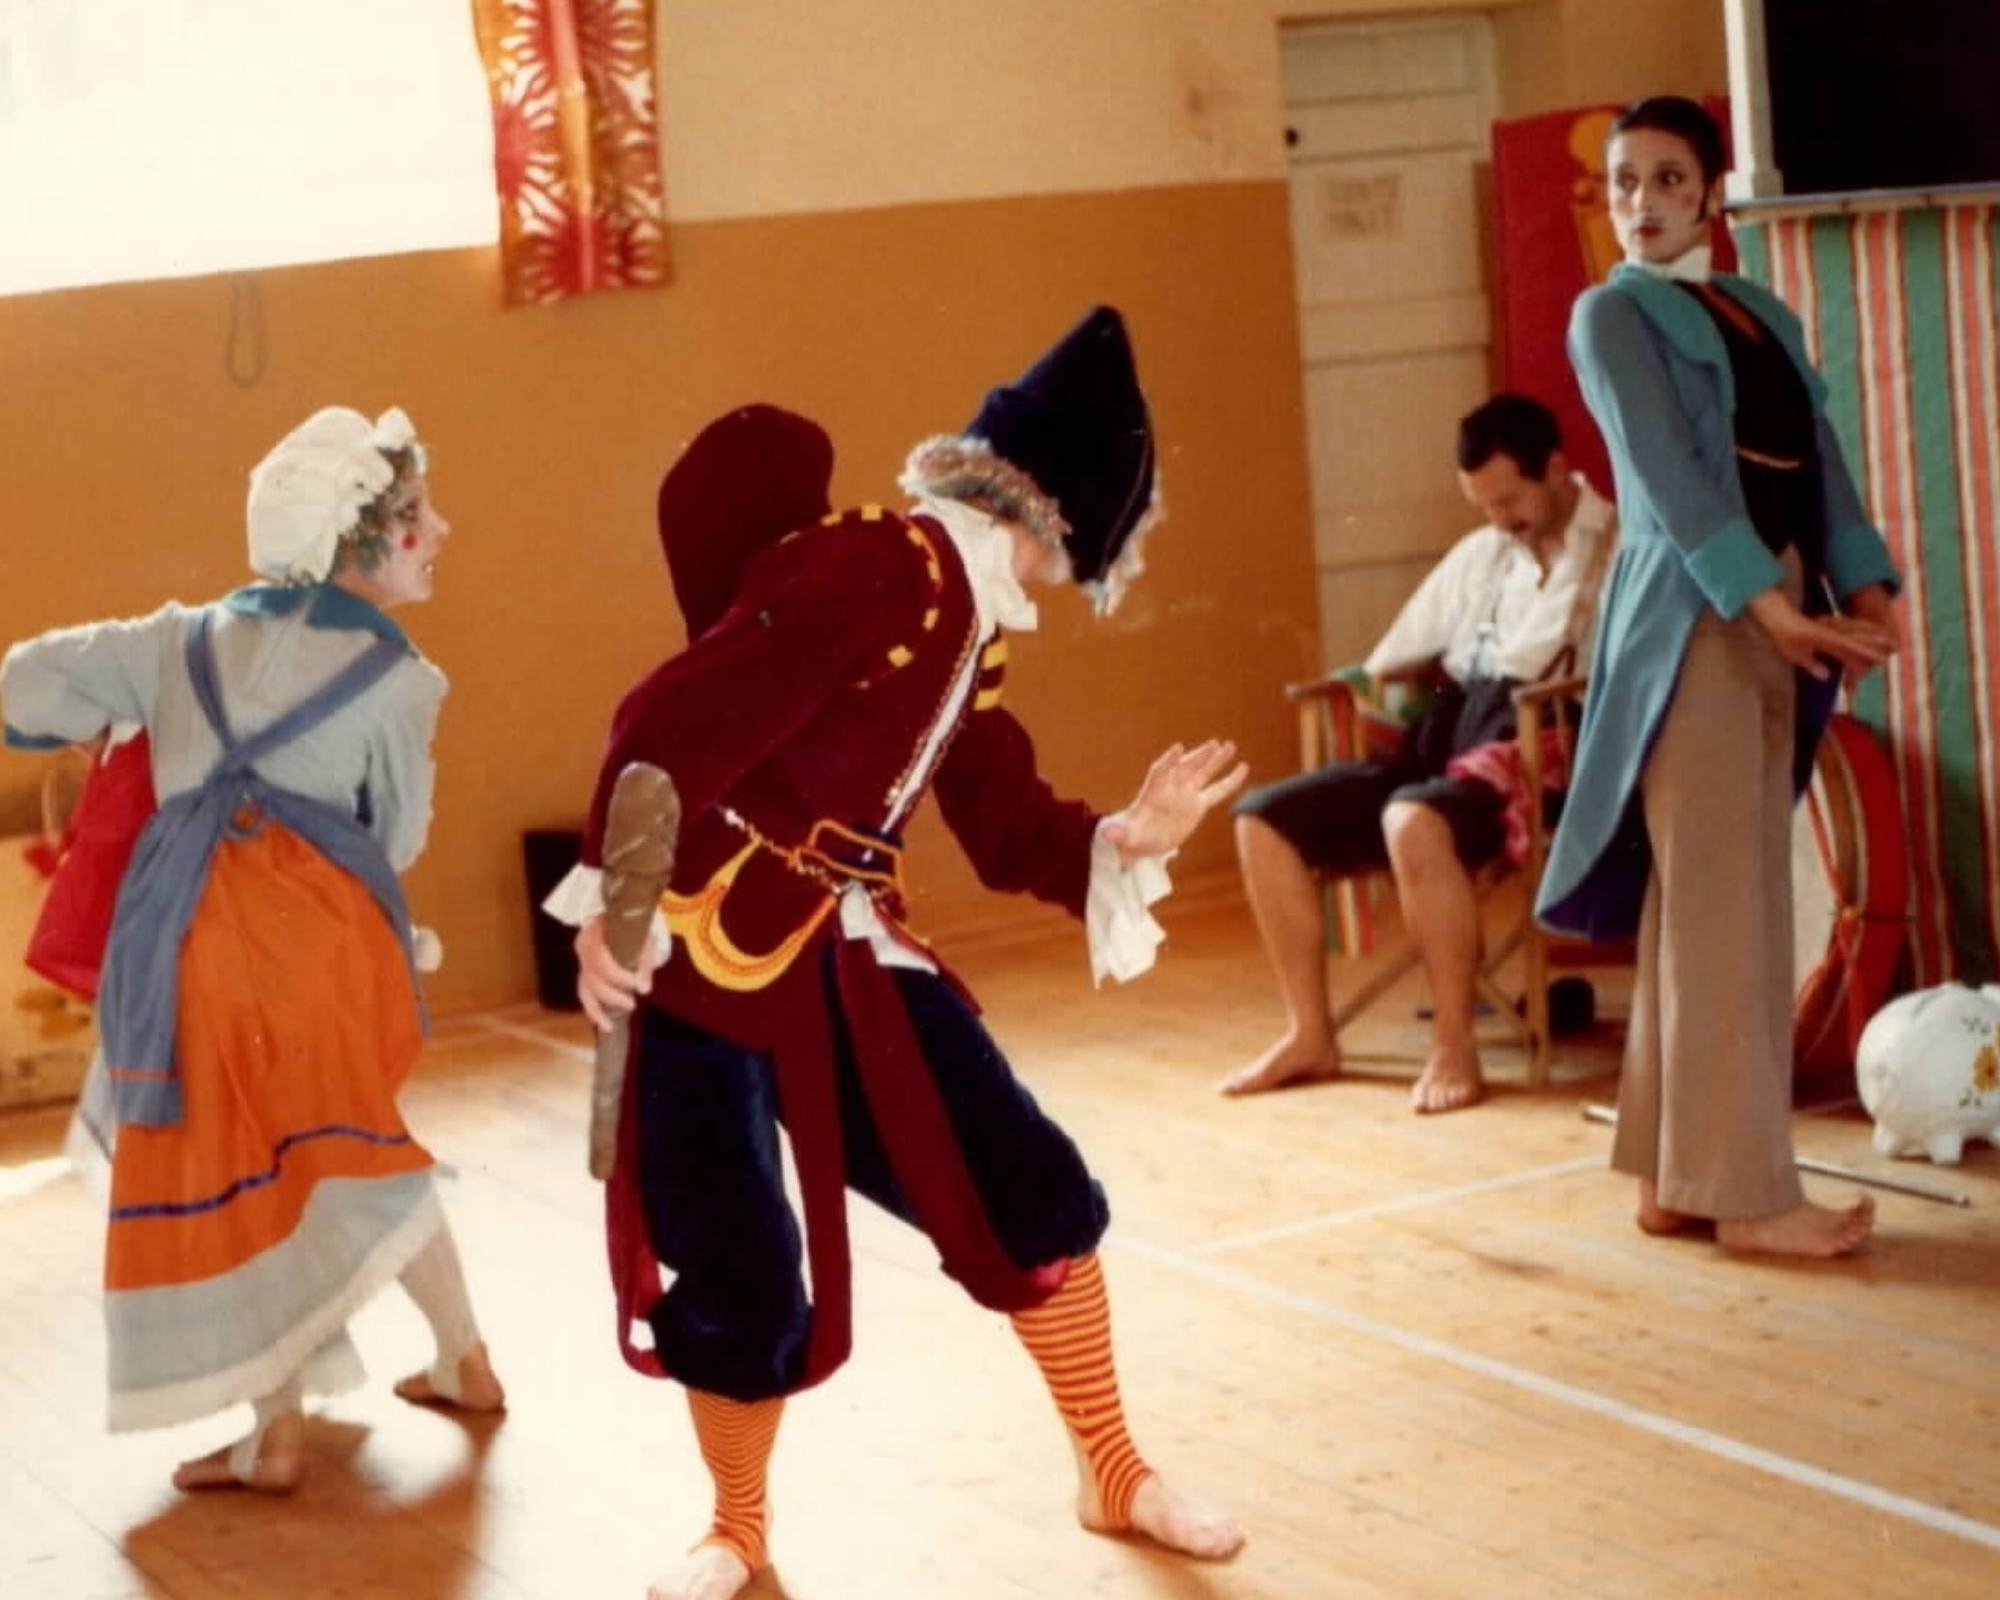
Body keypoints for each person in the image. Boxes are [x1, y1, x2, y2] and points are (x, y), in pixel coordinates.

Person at [545, 306, 1249, 1600]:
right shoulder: (879, 567)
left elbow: (1003, 819)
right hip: (702, 961)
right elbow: (666, 716)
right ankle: (736, 1532)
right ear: (1063, 517)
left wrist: (1123, 837)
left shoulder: (966, 624)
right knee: (739, 1263)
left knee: (1030, 1192)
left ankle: (1112, 1471)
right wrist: (608, 896)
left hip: (852, 959)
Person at [0, 407, 504, 1493]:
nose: (439, 531)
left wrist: (123, 725)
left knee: (236, 1170)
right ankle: (462, 1355)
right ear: (349, 538)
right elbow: (395, 837)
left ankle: (275, 1429)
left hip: (188, 948)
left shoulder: (174, 640)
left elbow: (21, 687)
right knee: (358, 1144)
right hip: (322, 949)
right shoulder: (402, 679)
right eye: (416, 516)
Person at [1535, 96, 1903, 1257]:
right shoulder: (1608, 314)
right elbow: (1674, 482)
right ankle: (1748, 1199)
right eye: (1622, 181)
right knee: (1724, 912)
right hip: (1692, 620)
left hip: (1770, 609)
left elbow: (1818, 460)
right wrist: (1773, 608)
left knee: (1713, 906)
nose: (1640, 201)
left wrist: (1866, 588)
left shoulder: (1756, 311)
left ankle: (1672, 1178)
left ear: (1707, 191)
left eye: (1665, 177)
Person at [1222, 394, 1615, 1113]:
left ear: (1557, 471)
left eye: (1509, 500)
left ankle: (1454, 1045)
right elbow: (1391, 661)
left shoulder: (1617, 550)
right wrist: (1390, 698)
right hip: (1446, 737)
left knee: (1411, 819)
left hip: (1534, 755)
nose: (1498, 519)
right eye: (1483, 504)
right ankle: (1309, 1034)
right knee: (1262, 819)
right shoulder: (1482, 552)